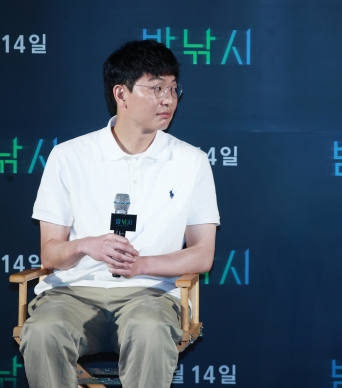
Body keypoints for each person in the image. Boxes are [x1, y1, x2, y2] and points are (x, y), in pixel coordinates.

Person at [19, 39, 220, 388]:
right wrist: (87, 246)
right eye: (156, 88)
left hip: (151, 294)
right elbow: (50, 252)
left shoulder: (192, 161)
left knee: (150, 330)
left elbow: (203, 254)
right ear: (121, 94)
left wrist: (142, 266)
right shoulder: (69, 156)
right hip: (73, 293)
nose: (168, 99)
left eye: (173, 88)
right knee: (43, 331)